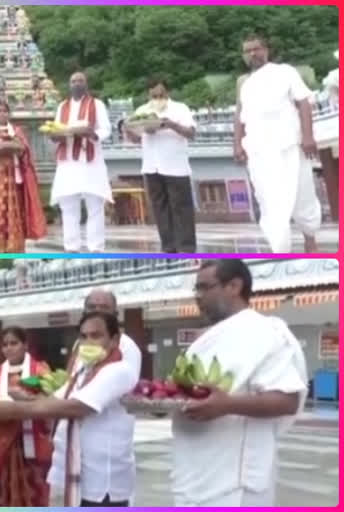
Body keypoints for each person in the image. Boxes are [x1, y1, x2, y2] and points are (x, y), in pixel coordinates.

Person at [172, 260, 308, 506]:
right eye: (196, 289)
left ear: (234, 286)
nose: (198, 296)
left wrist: (227, 405)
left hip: (235, 484)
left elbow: (287, 400)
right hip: (194, 474)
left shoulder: (264, 333)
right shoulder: (207, 339)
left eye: (205, 287)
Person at [0, 312, 138, 507]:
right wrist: (22, 400)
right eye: (83, 336)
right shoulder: (84, 371)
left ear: (114, 340)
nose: (88, 342)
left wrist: (15, 410)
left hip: (105, 481)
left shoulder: (119, 370)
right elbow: (55, 399)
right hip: (82, 474)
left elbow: (78, 407)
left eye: (96, 336)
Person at [235, 34, 321, 253]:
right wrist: (237, 144)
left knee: (302, 193)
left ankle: (310, 241)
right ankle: (280, 249)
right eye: (248, 50)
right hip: (258, 150)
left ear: (266, 50)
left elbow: (304, 103)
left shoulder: (285, 72)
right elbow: (239, 115)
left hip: (289, 145)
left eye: (257, 48)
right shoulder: (243, 82)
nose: (253, 54)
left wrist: (308, 137)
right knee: (268, 200)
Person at [0, 327, 53, 506]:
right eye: (5, 344)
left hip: (34, 442)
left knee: (35, 491)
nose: (9, 348)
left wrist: (26, 401)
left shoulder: (40, 370)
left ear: (25, 345)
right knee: (7, 490)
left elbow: (52, 404)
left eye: (14, 343)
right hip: (4, 443)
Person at [123, 77, 197, 253]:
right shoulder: (143, 110)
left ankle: (186, 247)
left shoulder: (179, 109)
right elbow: (136, 138)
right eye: (154, 95)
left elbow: (190, 132)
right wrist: (128, 129)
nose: (157, 98)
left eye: (160, 94)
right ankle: (168, 246)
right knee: (159, 208)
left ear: (167, 92)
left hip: (175, 166)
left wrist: (170, 124)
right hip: (151, 166)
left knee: (181, 208)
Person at [49, 72, 113, 252]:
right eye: (73, 81)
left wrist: (91, 133)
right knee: (68, 205)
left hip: (90, 160)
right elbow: (56, 130)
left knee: (95, 205)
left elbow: (105, 129)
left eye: (80, 81)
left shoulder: (97, 104)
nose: (77, 84)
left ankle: (96, 248)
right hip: (68, 161)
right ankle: (71, 247)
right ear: (69, 85)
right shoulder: (62, 106)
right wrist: (55, 135)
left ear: (86, 84)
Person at [0, 101, 47, 253]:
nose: (2, 114)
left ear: (9, 114)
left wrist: (8, 145)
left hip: (14, 175)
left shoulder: (16, 130)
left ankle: (15, 245)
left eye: (4, 111)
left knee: (14, 209)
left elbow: (23, 148)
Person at [81, 289, 142, 378]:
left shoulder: (127, 347)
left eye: (105, 308)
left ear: (115, 314)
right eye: (92, 307)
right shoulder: (79, 344)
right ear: (84, 313)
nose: (97, 312)